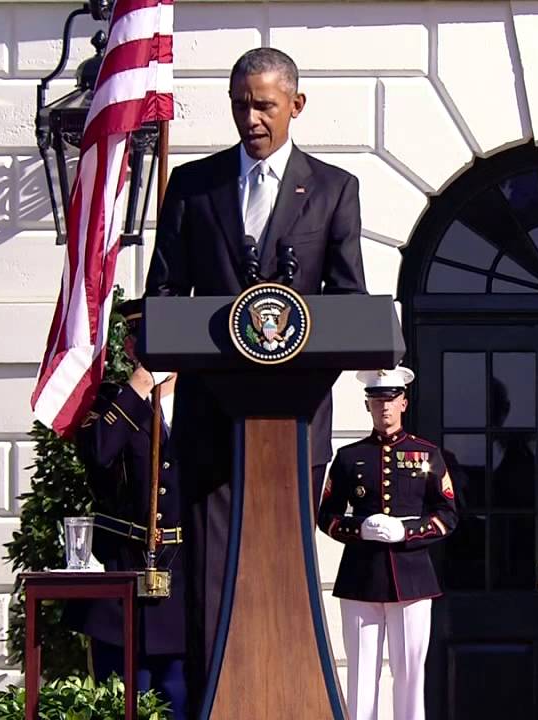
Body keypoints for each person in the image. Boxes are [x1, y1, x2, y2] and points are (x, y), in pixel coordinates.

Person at [142, 46, 368, 701]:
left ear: (296, 105)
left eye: (265, 105)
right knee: (213, 578)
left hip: (294, 424)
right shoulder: (193, 186)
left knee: (283, 572)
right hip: (213, 420)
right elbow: (164, 297)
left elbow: (352, 303)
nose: (252, 119)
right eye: (241, 104)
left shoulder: (333, 191)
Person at [69, 298, 187, 718]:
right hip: (121, 572)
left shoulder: (199, 405)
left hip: (182, 577)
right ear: (131, 348)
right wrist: (138, 387)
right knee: (122, 699)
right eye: (146, 344)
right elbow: (98, 452)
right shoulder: (108, 402)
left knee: (179, 696)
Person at [317, 367, 458, 720]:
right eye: (377, 400)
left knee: (409, 673)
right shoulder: (349, 457)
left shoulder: (426, 453)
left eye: (391, 400)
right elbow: (326, 516)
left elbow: (448, 514)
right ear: (367, 405)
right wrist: (358, 530)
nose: (384, 407)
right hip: (361, 578)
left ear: (404, 403)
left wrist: (407, 532)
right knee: (362, 675)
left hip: (412, 578)